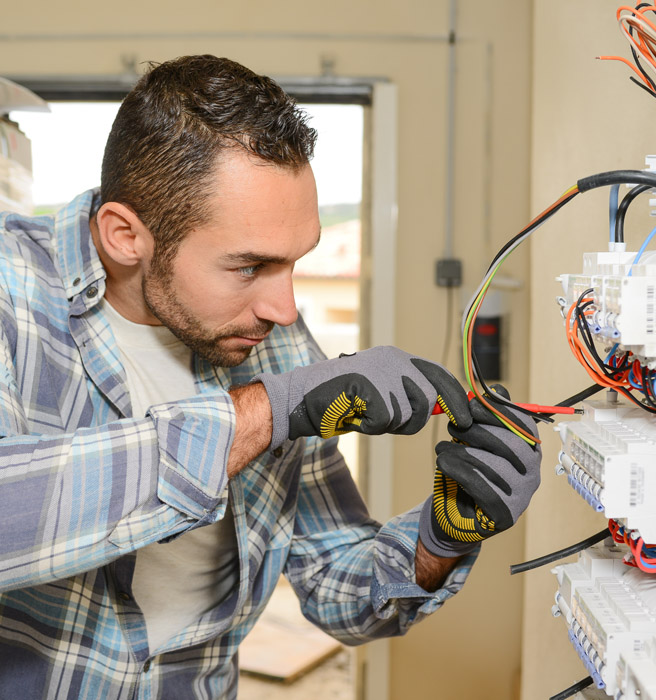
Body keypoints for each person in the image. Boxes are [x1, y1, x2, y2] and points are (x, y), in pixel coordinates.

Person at [0, 55, 541, 699]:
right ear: (125, 235)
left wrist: (442, 536)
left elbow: (336, 583)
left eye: (294, 262)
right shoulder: (14, 291)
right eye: (249, 266)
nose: (284, 310)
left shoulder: (270, 341)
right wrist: (264, 413)